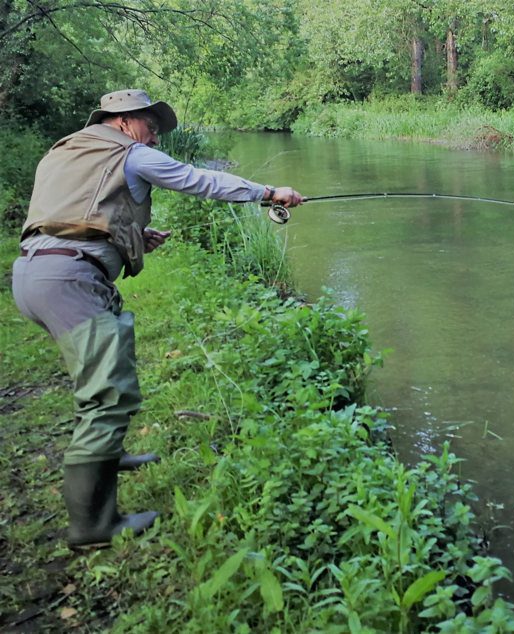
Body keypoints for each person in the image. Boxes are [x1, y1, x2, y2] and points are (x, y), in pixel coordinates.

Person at [11, 89, 303, 549]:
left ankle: (110, 454)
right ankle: (93, 528)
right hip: (70, 280)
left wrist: (132, 233)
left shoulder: (65, 149)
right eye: (152, 126)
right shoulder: (131, 152)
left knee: (105, 369)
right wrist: (269, 192)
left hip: (34, 273)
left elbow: (70, 213)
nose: (156, 137)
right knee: (107, 393)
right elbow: (199, 181)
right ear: (125, 121)